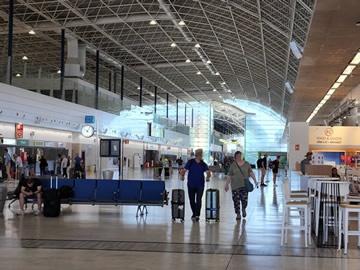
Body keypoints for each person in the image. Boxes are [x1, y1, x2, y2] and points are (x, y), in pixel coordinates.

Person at [225, 151, 258, 220]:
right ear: (235, 156)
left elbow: (251, 173)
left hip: (244, 185)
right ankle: (238, 214)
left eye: (240, 155)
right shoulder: (233, 165)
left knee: (244, 200)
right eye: (237, 156)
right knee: (236, 201)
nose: (239, 157)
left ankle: (243, 208)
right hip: (235, 186)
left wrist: (255, 181)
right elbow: (229, 175)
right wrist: (226, 184)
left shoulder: (246, 164)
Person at [182, 149, 211, 222]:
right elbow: (184, 170)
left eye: (201, 154)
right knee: (192, 200)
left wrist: (208, 176)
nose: (201, 156)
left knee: (198, 200)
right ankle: (194, 213)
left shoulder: (203, 164)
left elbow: (208, 172)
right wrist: (182, 175)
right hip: (191, 184)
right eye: (200, 154)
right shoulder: (190, 162)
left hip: (200, 185)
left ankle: (197, 215)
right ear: (196, 155)